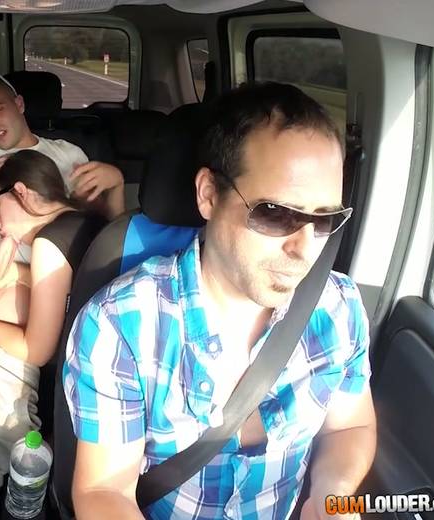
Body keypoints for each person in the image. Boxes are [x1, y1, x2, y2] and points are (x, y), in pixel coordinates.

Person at [63, 83, 376, 519]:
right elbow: (104, 489)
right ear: (209, 194)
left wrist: (332, 495)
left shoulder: (339, 309)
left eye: (325, 220)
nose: (305, 250)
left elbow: (351, 425)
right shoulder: (122, 324)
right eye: (275, 214)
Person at [0, 149, 106, 473]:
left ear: (20, 191)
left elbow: (36, 351)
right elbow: (69, 279)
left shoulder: (48, 244)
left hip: (77, 385)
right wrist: (15, 261)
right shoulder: (87, 220)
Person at [0, 69, 125, 265]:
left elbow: (105, 232)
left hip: (51, 271)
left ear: (19, 104)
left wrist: (116, 183)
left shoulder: (69, 154)